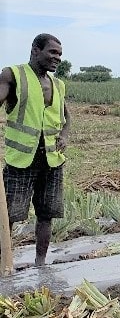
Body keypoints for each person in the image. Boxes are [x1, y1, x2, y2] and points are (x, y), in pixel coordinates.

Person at [0, 33, 71, 266]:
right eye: (52, 52)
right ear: (35, 50)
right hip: (21, 159)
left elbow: (66, 116)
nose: (57, 58)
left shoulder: (58, 84)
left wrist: (64, 135)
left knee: (46, 213)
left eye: (59, 54)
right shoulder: (13, 75)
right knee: (8, 215)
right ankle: (4, 263)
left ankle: (40, 263)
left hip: (52, 160)